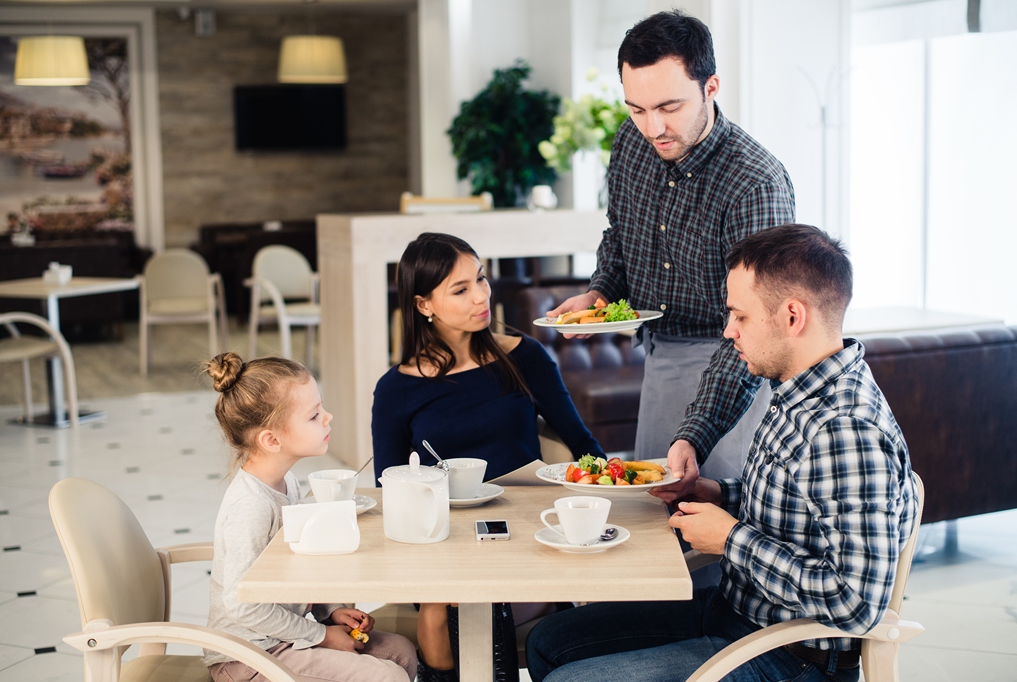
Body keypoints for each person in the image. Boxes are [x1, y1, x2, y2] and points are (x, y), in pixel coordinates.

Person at [526, 224, 919, 682]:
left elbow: (857, 604)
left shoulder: (844, 428)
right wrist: (716, 494)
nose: (728, 332)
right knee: (548, 642)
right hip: (735, 614)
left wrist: (731, 539)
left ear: (793, 317)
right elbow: (795, 507)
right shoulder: (797, 389)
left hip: (792, 657)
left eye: (740, 316)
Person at [548, 9, 796, 494]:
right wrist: (599, 294)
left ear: (711, 87)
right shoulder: (631, 143)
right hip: (659, 353)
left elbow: (757, 324)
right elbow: (620, 234)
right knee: (655, 516)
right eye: (637, 109)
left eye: (669, 106)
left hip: (736, 364)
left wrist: (697, 432)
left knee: (716, 519)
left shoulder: (755, 183)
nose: (652, 127)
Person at [372, 232, 605, 681]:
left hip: (528, 534)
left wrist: (618, 499)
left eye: (481, 279)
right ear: (424, 305)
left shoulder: (526, 357)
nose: (482, 296)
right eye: (460, 290)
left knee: (479, 597)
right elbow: (390, 487)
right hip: (446, 542)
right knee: (459, 599)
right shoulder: (397, 390)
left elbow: (583, 445)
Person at [202, 352, 417, 682]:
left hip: (283, 640)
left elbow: (294, 565)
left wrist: (330, 611)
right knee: (386, 676)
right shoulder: (250, 507)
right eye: (314, 415)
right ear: (272, 439)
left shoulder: (284, 481)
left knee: (400, 652)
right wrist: (322, 635)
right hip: (247, 659)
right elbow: (242, 606)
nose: (328, 417)